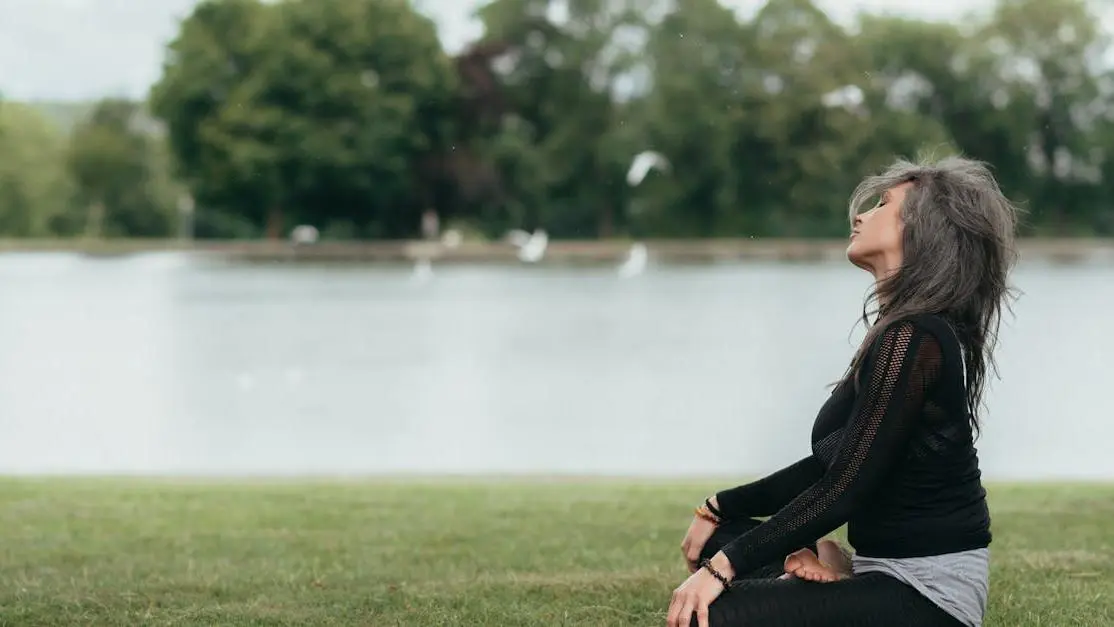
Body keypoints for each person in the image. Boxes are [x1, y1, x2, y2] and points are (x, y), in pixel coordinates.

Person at [666, 156, 1019, 627]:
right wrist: (721, 507)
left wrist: (721, 569)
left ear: (922, 228)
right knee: (721, 535)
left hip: (927, 597)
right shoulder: (900, 331)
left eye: (882, 205)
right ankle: (832, 572)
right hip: (882, 573)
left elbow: (845, 487)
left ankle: (830, 575)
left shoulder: (916, 339)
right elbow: (829, 465)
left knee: (706, 614)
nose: (861, 215)